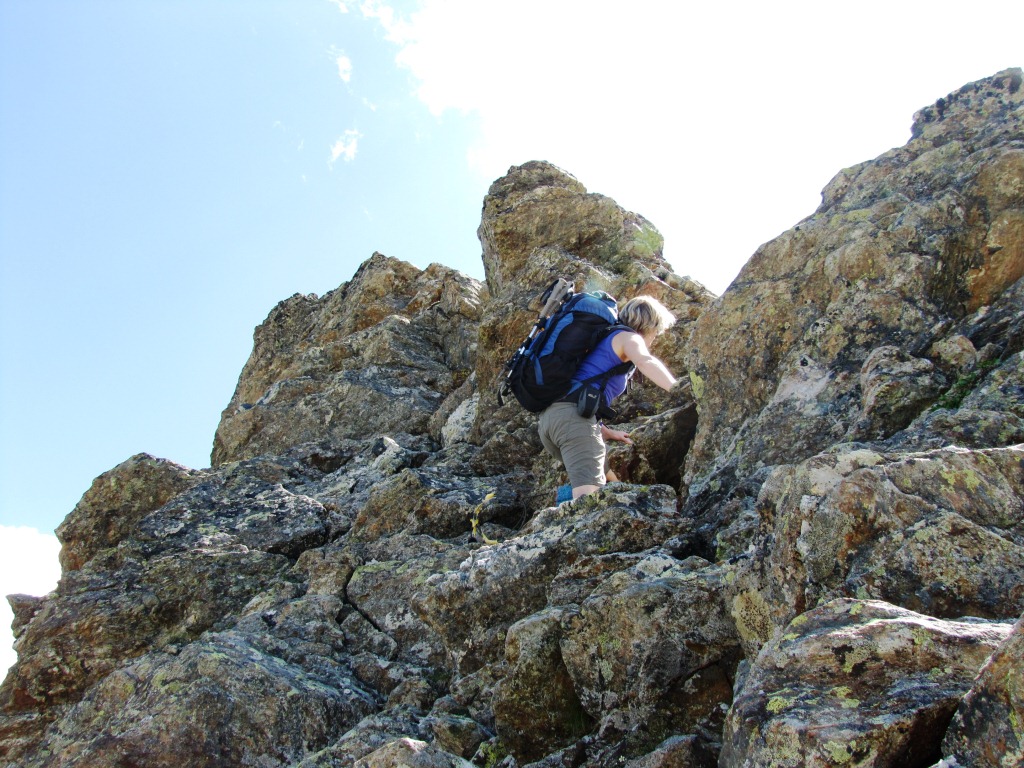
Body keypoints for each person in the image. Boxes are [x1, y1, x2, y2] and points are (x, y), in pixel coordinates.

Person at [539, 295, 678, 500]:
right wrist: (678, 389)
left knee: (604, 479)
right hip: (572, 421)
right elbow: (646, 361)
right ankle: (564, 509)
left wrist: (606, 431)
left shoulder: (604, 338)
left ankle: (565, 501)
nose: (655, 338)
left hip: (551, 421)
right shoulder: (628, 338)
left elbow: (582, 389)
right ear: (649, 325)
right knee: (587, 501)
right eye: (656, 332)